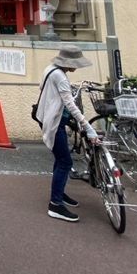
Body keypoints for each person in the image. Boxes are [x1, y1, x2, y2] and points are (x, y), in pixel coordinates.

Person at [35, 45, 99, 223]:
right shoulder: (60, 76)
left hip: (48, 117)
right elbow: (70, 104)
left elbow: (43, 88)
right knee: (65, 161)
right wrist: (88, 127)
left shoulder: (51, 69)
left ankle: (59, 193)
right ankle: (55, 204)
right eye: (75, 63)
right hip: (54, 122)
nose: (77, 67)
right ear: (68, 62)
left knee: (60, 158)